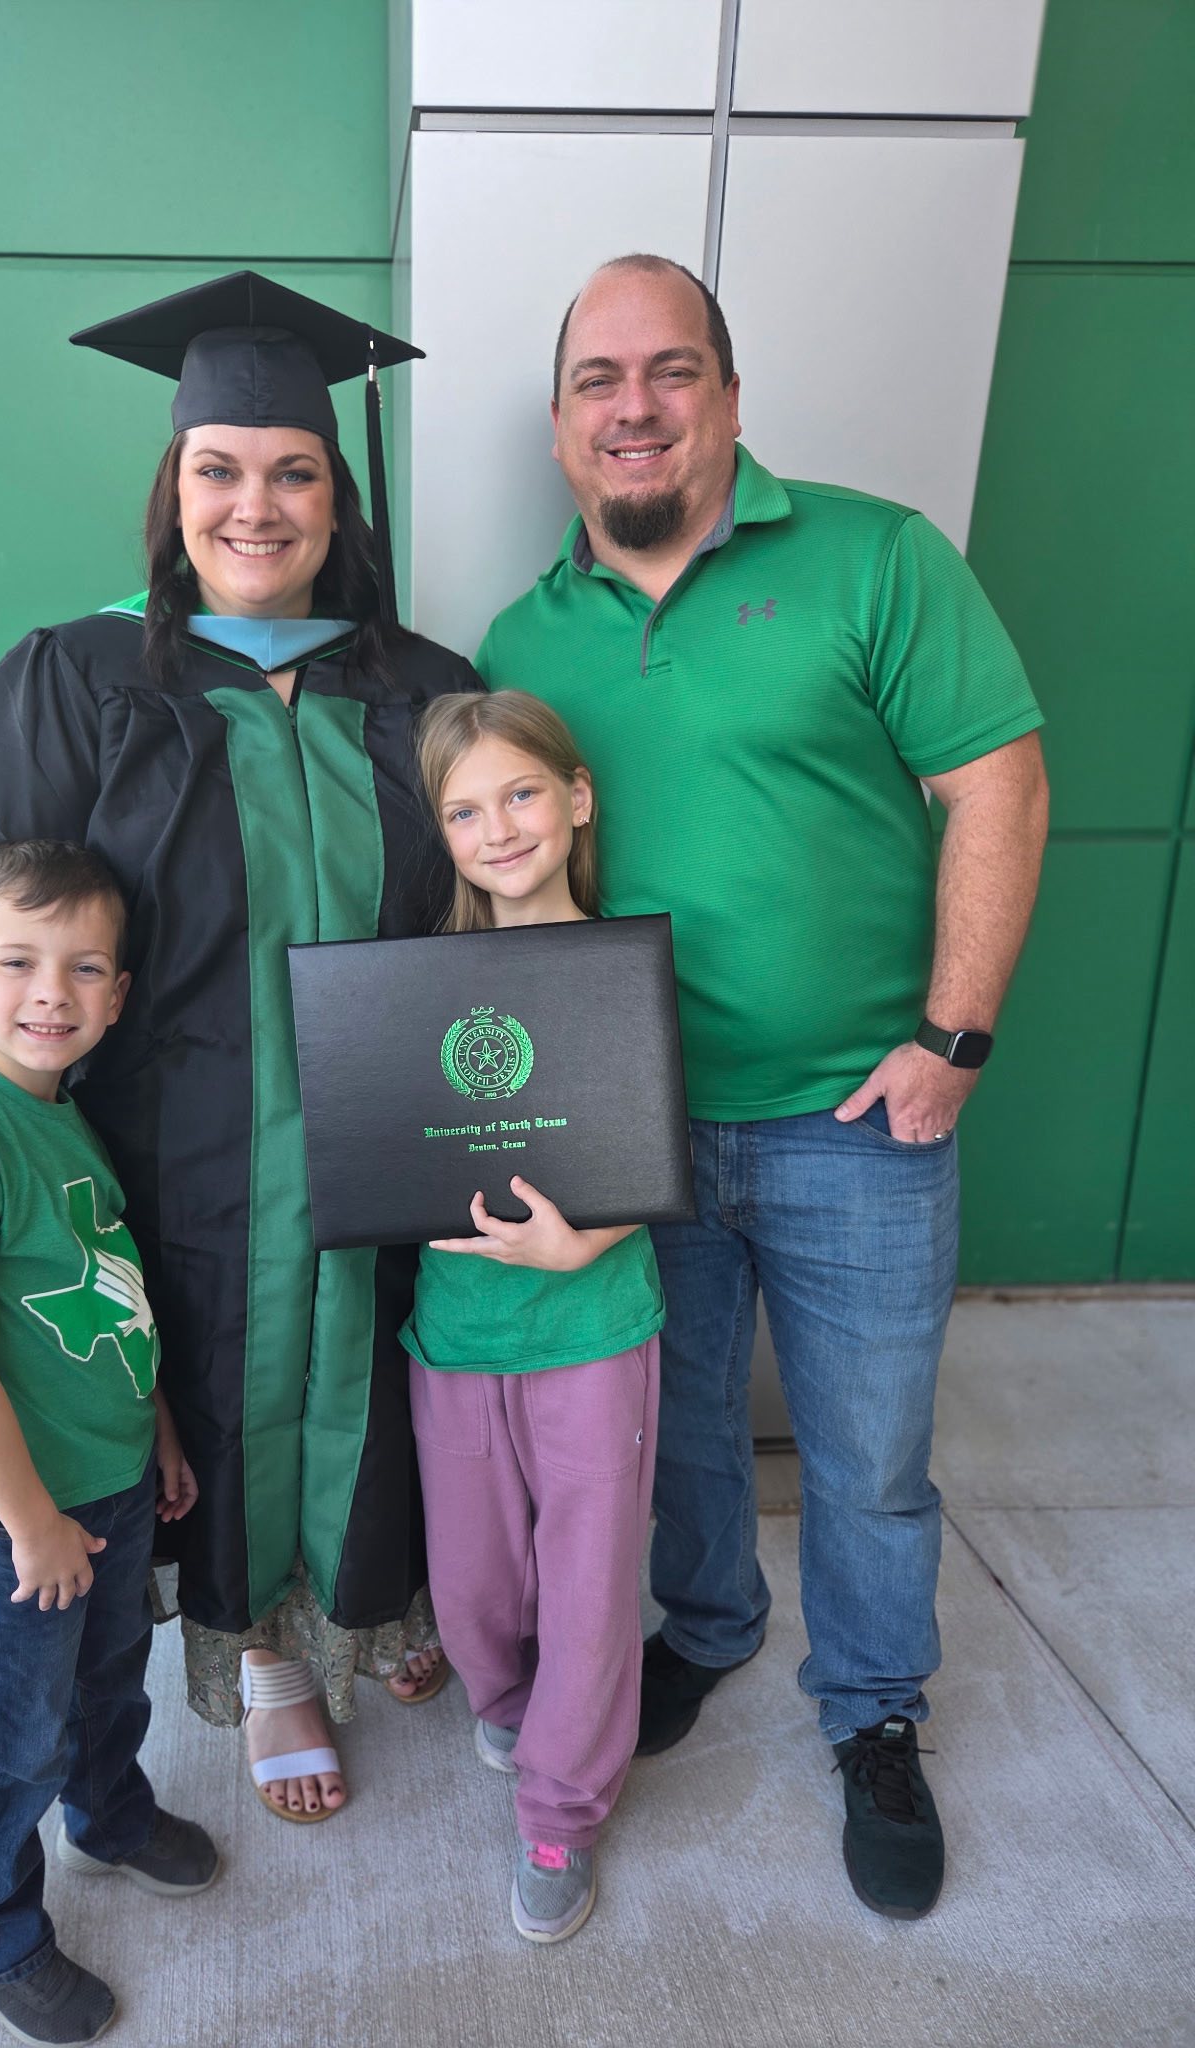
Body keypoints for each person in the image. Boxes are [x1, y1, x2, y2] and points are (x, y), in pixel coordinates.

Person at [0, 272, 481, 1829]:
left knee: (368, 1372)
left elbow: (502, 916)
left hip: (381, 1147)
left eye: (295, 470)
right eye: (219, 470)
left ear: (340, 495)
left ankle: (369, 1598)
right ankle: (265, 1658)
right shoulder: (77, 676)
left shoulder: (424, 687)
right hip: (171, 1160)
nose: (257, 505)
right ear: (172, 488)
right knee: (217, 1387)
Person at [476, 254, 1049, 1920]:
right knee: (682, 1437)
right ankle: (711, 1627)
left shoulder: (875, 558)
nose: (633, 406)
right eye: (598, 380)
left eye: (668, 372)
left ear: (727, 396)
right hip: (631, 1129)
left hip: (854, 1125)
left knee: (867, 1454)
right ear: (566, 420)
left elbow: (997, 786)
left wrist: (950, 1040)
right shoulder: (525, 632)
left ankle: (872, 1710)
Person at [0, 839, 216, 2045]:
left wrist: (160, 1431)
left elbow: (109, 1287)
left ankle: (111, 1815)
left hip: (113, 1485)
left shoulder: (59, 1113)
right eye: (19, 960)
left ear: (118, 994)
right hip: (15, 1519)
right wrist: (30, 1522)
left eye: (84, 968)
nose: (51, 993)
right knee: (9, 1738)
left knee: (111, 1680)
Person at [402, 690, 665, 1944]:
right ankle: (507, 1704)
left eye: (519, 792)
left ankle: (563, 1804)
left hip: (593, 1324)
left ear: (577, 795)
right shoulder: (418, 982)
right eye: (463, 808)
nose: (496, 827)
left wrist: (585, 1239)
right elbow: (384, 1135)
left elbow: (653, 1130)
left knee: (590, 1577)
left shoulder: (625, 968)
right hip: (455, 1328)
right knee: (474, 1577)